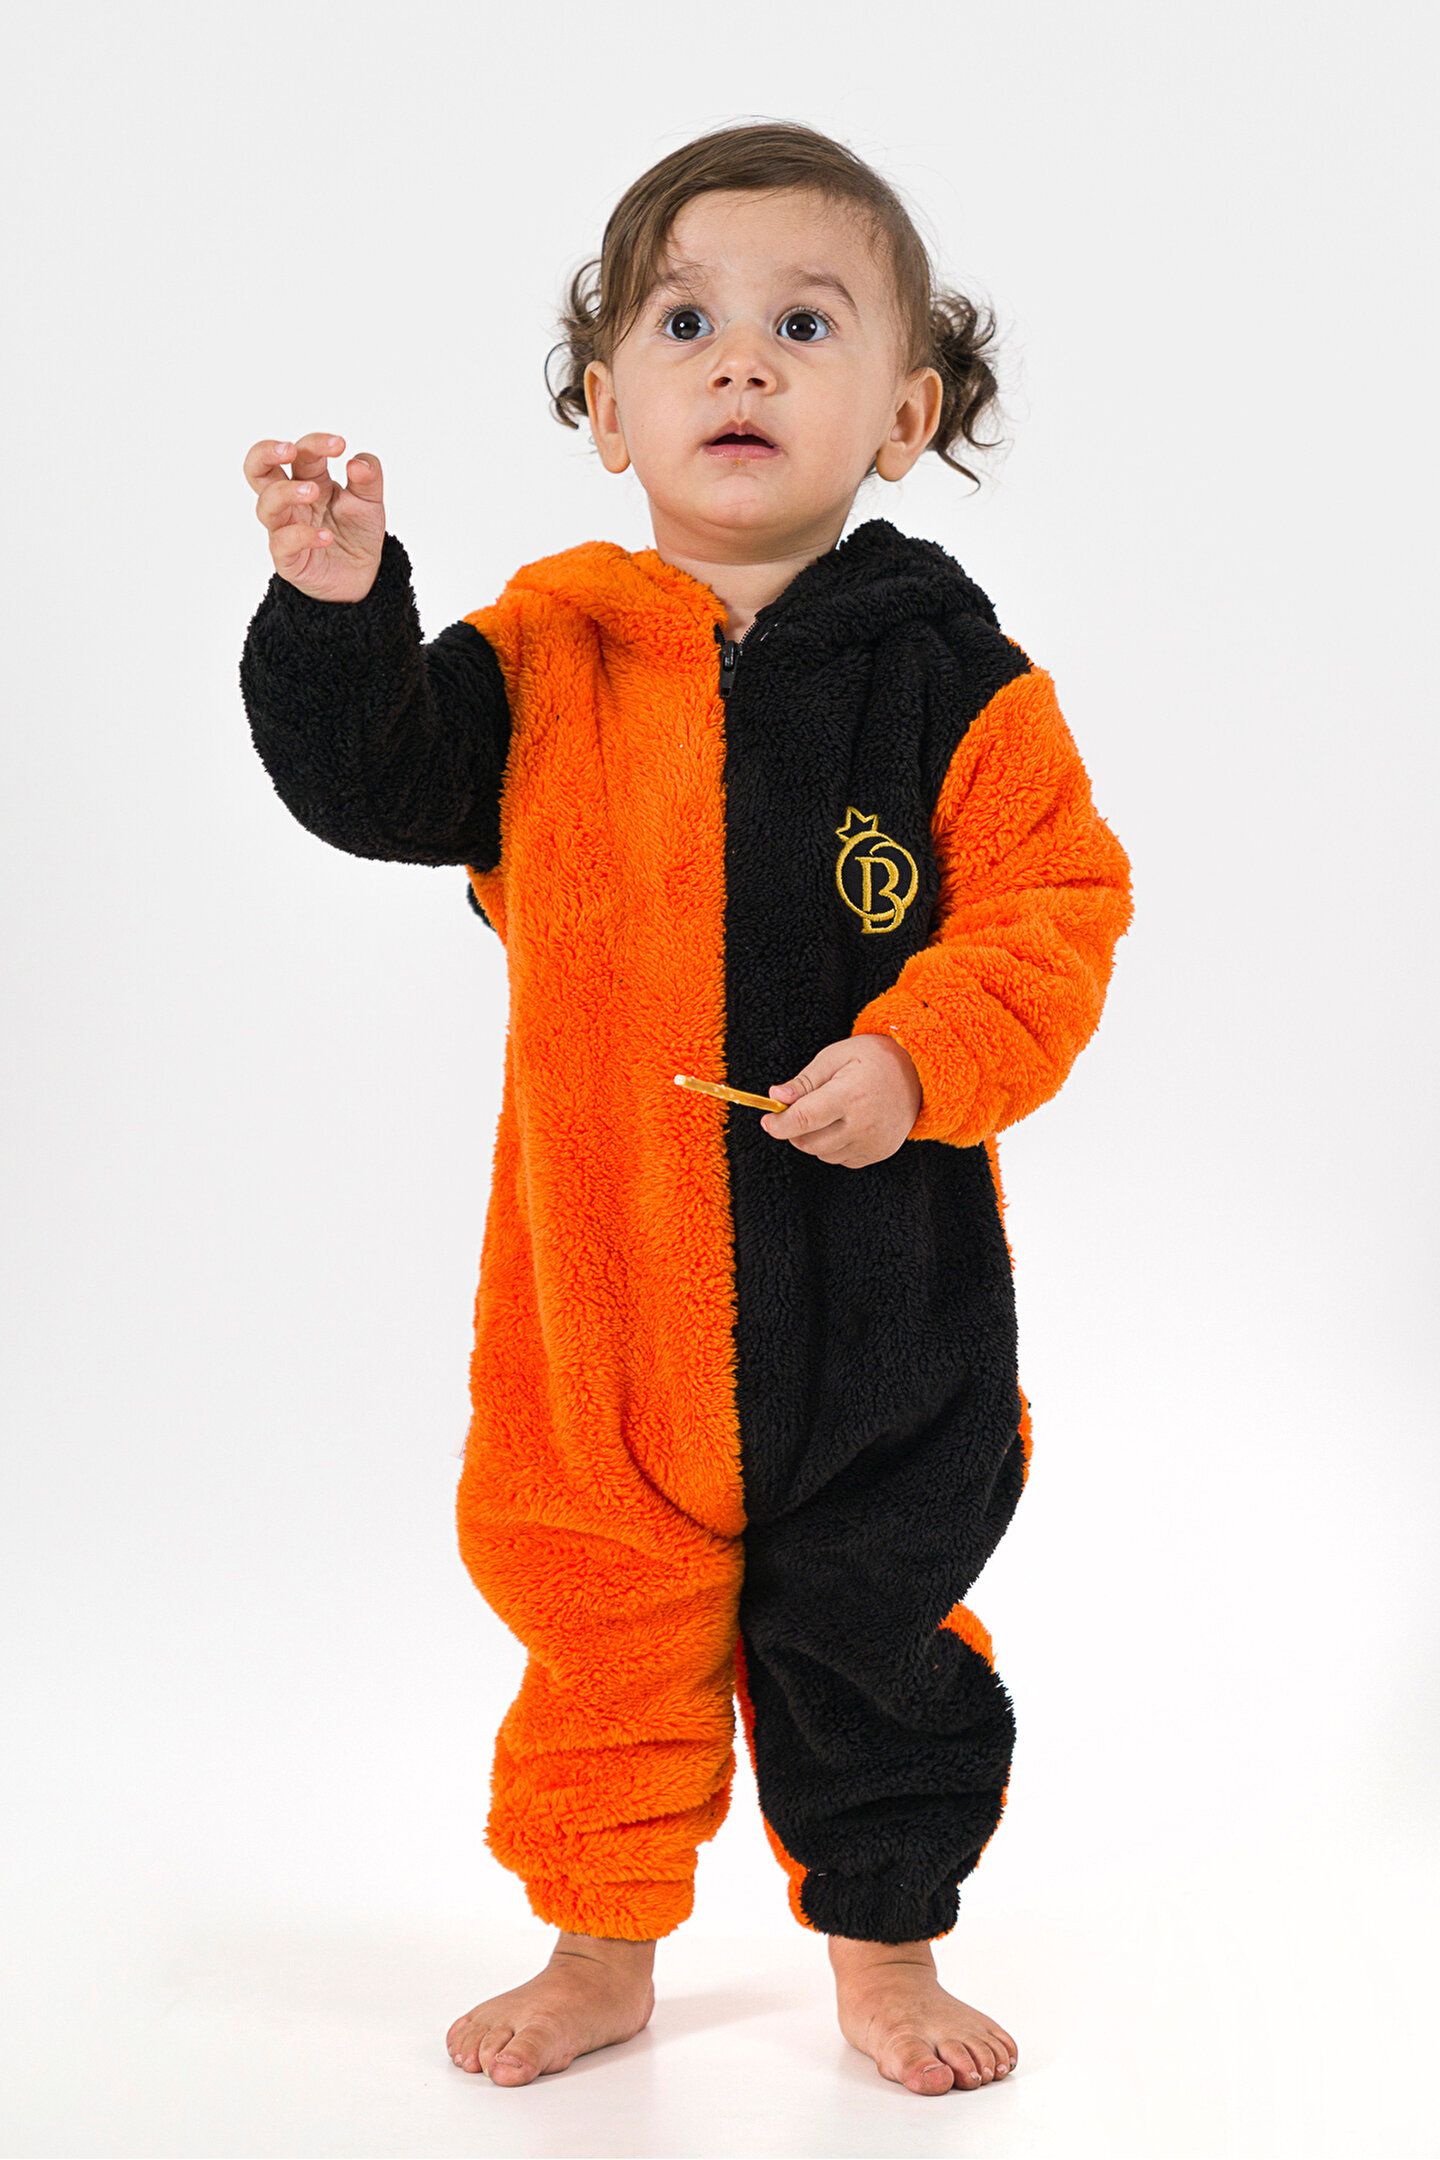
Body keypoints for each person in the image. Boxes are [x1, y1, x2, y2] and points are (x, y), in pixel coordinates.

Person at [238, 119, 1133, 2100]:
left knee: (871, 1629)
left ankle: (885, 1953)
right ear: (603, 406)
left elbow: (1059, 907)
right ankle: (598, 1946)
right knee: (597, 1621)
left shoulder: (957, 682)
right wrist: (338, 611)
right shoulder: (541, 659)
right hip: (602, 1296)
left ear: (901, 416)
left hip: (883, 1306)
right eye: (684, 323)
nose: (741, 359)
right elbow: (379, 784)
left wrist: (919, 1055)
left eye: (804, 325)